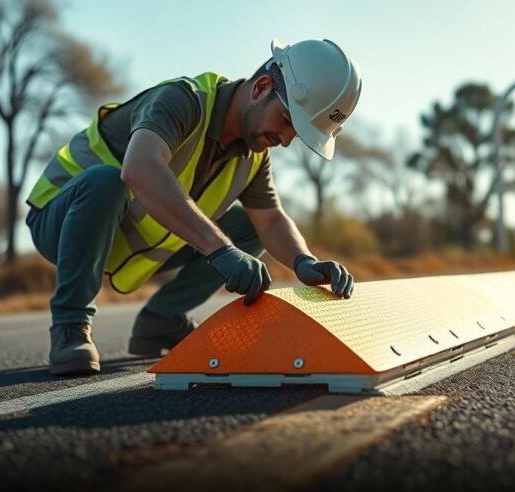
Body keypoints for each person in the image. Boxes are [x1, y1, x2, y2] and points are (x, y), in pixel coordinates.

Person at [24, 38, 362, 375]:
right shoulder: (183, 100)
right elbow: (139, 168)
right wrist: (220, 250)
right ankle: (70, 326)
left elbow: (271, 220)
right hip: (61, 220)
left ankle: (162, 320)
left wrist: (304, 261)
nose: (286, 140)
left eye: (297, 135)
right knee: (107, 181)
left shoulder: (254, 155)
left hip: (131, 242)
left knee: (248, 227)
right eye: (287, 121)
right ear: (261, 87)